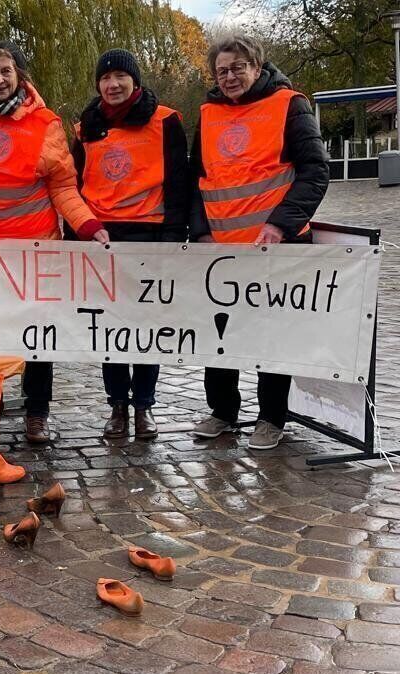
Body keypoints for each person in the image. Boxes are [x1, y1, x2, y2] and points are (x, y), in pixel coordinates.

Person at [0, 41, 101, 444]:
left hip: (35, 252)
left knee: (38, 337)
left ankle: (37, 413)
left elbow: (63, 185)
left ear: (20, 76)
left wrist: (86, 224)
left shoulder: (45, 124)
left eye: (5, 71)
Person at [190, 34, 329, 450]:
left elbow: (315, 171)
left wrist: (281, 225)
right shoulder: (209, 113)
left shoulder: (290, 105)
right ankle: (223, 412)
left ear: (256, 66)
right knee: (220, 334)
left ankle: (271, 417)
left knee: (273, 334)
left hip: (277, 247)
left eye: (237, 68)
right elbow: (196, 178)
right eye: (221, 71)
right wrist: (200, 232)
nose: (230, 77)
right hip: (222, 251)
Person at [71, 49, 190, 440]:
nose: (113, 84)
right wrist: (78, 238)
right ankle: (117, 406)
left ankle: (144, 406)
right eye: (106, 78)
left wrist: (174, 237)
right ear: (98, 85)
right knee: (110, 330)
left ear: (135, 81)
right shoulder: (85, 128)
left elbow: (178, 182)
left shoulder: (165, 120)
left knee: (145, 327)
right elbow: (73, 187)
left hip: (150, 236)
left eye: (121, 76)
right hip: (102, 238)